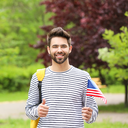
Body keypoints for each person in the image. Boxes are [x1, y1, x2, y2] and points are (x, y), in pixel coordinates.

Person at [25, 27, 98, 128]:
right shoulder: (38, 77)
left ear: (70, 49)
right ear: (48, 50)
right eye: (55, 46)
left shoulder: (84, 77)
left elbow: (93, 110)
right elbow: (28, 110)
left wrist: (90, 116)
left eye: (63, 46)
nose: (59, 50)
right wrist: (37, 111)